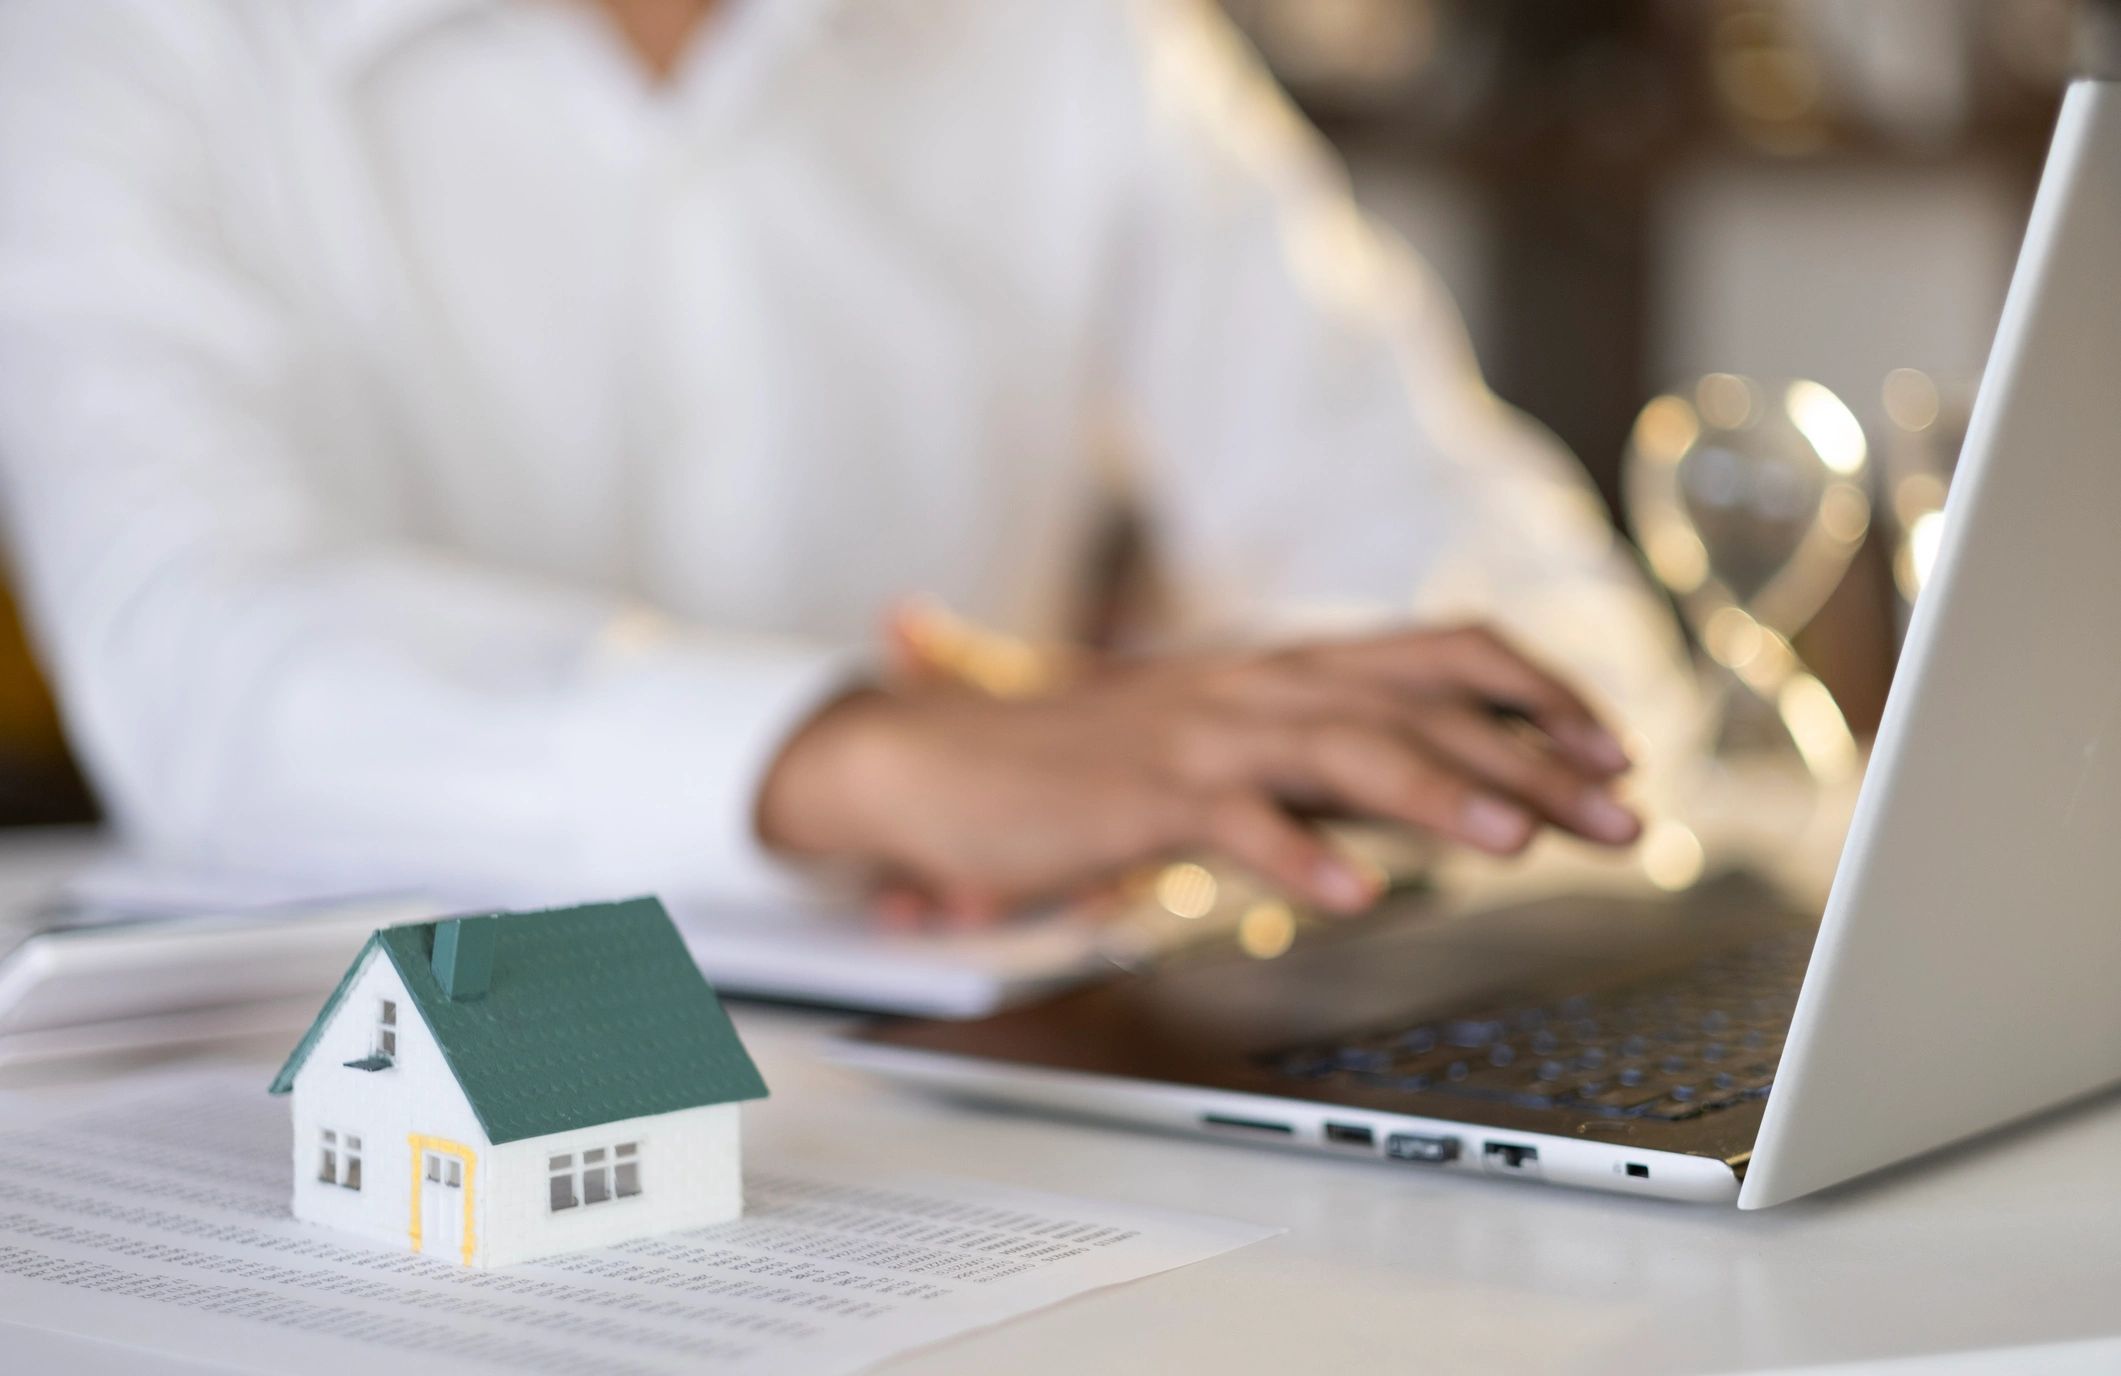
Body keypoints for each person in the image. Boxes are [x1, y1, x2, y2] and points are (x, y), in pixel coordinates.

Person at [0, 0, 1691, 922]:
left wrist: (1181, 773)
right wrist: (886, 760)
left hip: (1015, 1121)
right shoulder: (124, 43)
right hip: (340, 1154)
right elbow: (197, 659)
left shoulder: (1084, 37)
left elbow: (1524, 604)